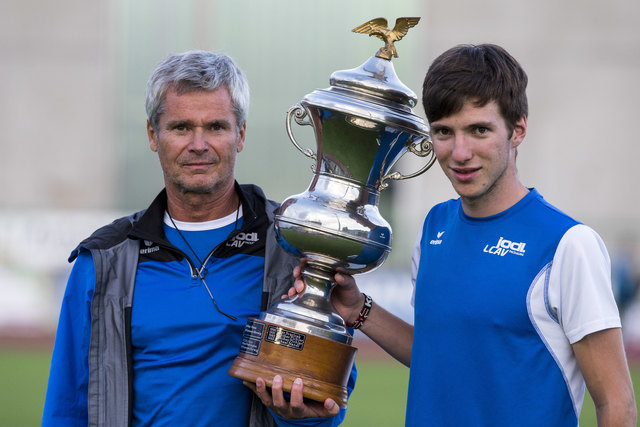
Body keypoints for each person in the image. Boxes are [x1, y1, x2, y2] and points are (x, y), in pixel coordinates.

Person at [291, 44, 637, 425]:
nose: (459, 152)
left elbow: (616, 403)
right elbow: (438, 355)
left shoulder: (568, 244)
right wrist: (359, 311)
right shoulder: (435, 227)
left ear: (517, 129)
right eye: (443, 132)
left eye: (479, 130)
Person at [42, 50, 354, 426]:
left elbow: (331, 406)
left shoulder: (296, 250)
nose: (198, 144)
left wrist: (300, 417)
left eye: (216, 127)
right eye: (181, 127)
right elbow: (67, 405)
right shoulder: (104, 259)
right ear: (152, 135)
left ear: (240, 135)